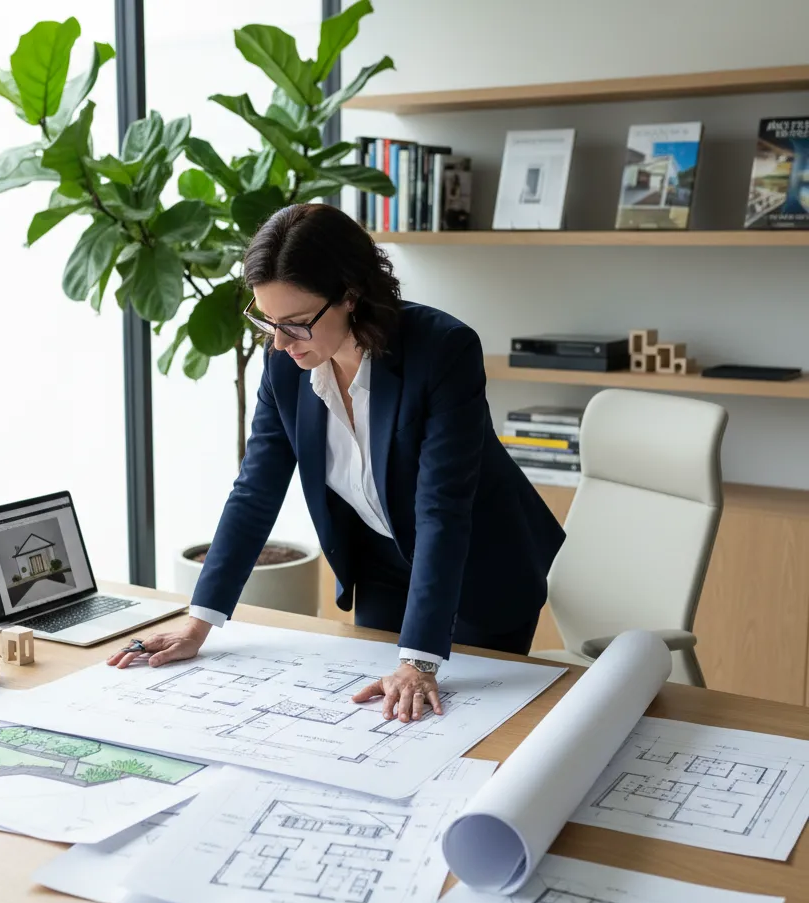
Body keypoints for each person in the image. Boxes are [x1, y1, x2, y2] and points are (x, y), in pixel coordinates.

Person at [108, 204, 565, 725]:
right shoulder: (284, 363)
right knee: (376, 723)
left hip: (479, 568)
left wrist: (418, 660)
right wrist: (199, 621)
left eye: (297, 324)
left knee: (460, 722)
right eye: (267, 321)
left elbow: (442, 508)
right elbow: (255, 489)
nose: (279, 342)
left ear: (350, 295)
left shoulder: (442, 350)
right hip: (383, 567)